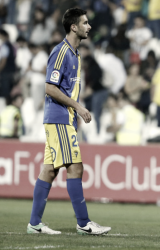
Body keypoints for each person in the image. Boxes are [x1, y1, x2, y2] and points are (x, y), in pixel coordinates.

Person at [27, 8, 111, 235]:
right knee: (75, 167)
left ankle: (34, 224)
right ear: (73, 27)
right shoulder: (61, 52)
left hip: (64, 118)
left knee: (49, 170)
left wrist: (76, 112)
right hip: (59, 118)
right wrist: (78, 107)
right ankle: (84, 223)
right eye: (85, 23)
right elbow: (50, 87)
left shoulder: (76, 53)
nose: (89, 26)